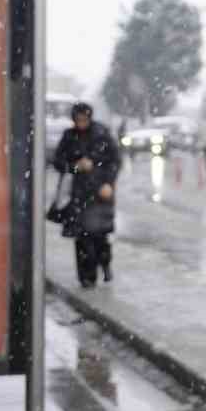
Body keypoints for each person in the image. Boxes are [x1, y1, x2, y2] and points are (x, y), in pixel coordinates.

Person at [52, 102, 121, 288]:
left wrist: (108, 182)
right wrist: (76, 167)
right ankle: (87, 278)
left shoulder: (102, 134)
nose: (81, 123)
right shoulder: (69, 137)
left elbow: (114, 160)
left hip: (100, 193)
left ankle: (104, 264)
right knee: (82, 238)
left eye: (84, 119)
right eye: (78, 119)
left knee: (99, 235)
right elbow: (58, 162)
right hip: (78, 195)